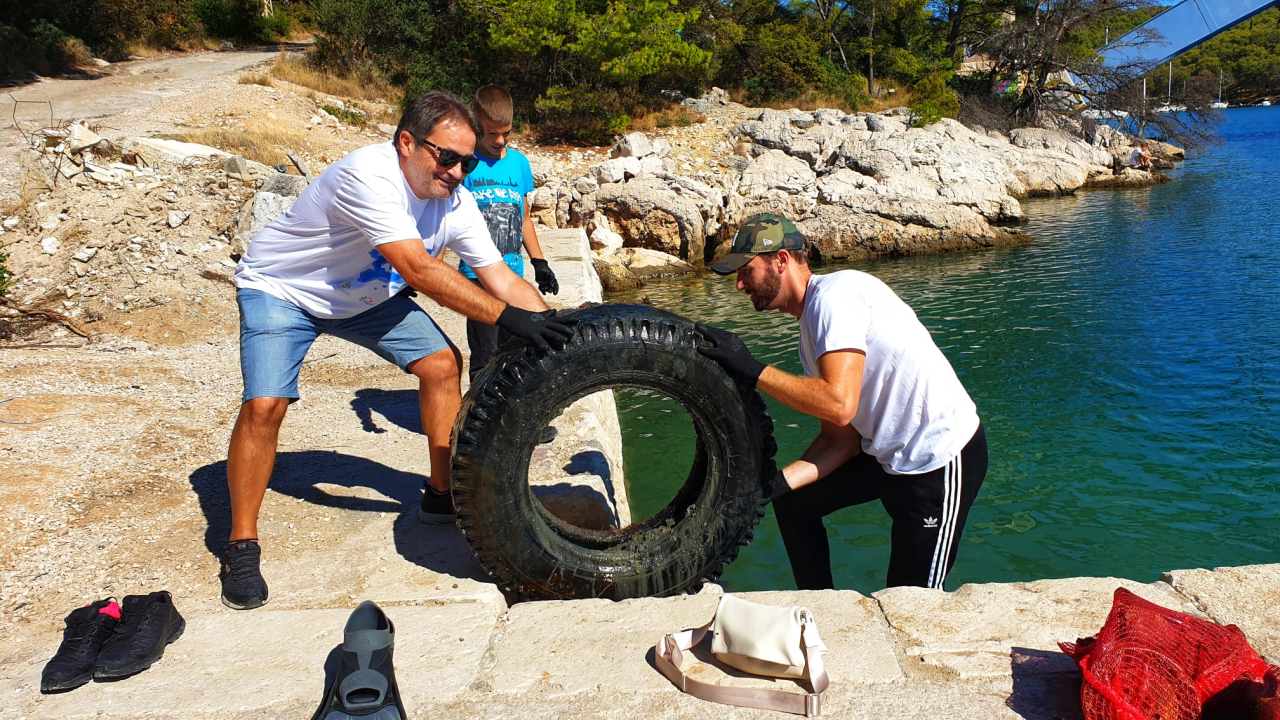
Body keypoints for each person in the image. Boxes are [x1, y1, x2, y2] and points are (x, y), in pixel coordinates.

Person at [221, 91, 575, 611]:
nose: (457, 171)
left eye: (467, 161)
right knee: (266, 405)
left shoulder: (455, 202)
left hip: (365, 296)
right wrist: (507, 318)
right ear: (407, 142)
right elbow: (420, 271)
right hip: (285, 291)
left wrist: (558, 328)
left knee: (441, 365)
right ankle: (240, 543)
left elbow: (499, 275)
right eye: (446, 157)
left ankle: (441, 494)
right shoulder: (367, 176)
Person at [696, 214, 988, 591]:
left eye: (746, 271)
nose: (739, 285)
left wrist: (751, 369)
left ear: (781, 261)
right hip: (886, 457)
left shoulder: (836, 297)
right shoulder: (811, 330)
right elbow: (841, 440)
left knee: (910, 605)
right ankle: (821, 610)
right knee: (794, 502)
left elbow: (838, 403)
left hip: (938, 460)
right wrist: (769, 487)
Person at [460, 85, 558, 383]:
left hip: (512, 274)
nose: (500, 140)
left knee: (516, 352)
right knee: (485, 357)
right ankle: (479, 423)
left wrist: (539, 263)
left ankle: (514, 423)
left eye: (507, 133)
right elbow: (443, 222)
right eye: (491, 133)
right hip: (477, 276)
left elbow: (524, 218)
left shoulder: (519, 164)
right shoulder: (464, 165)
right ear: (475, 125)